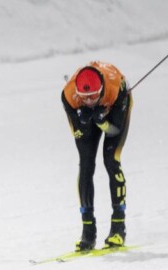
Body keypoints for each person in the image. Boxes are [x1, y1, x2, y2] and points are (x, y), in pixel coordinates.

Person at [61, 61, 132, 251]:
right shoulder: (69, 96)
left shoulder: (115, 89)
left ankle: (118, 227)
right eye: (85, 98)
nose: (90, 101)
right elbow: (79, 134)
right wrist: (83, 122)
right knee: (86, 165)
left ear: (101, 89)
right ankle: (88, 231)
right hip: (92, 110)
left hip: (113, 106)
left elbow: (114, 131)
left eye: (93, 96)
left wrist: (102, 122)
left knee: (111, 160)